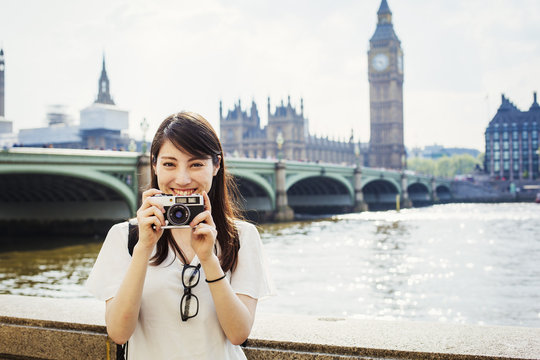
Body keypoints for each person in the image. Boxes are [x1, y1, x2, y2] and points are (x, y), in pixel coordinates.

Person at [86, 112, 274, 359]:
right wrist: (143, 248)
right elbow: (119, 333)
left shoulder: (241, 237)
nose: (182, 179)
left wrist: (208, 260)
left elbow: (238, 333)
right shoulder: (125, 238)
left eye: (196, 164)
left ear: (216, 165)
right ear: (154, 165)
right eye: (169, 164)